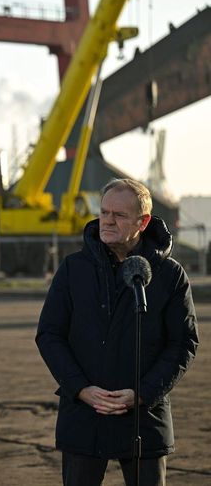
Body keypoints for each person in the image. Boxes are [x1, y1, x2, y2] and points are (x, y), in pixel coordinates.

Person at [36, 178, 198, 486]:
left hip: (143, 417)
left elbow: (182, 343)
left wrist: (142, 394)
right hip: (84, 413)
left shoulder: (169, 274)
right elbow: (49, 334)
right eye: (104, 212)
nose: (107, 221)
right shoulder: (74, 269)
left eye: (119, 215)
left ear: (143, 221)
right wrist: (81, 389)